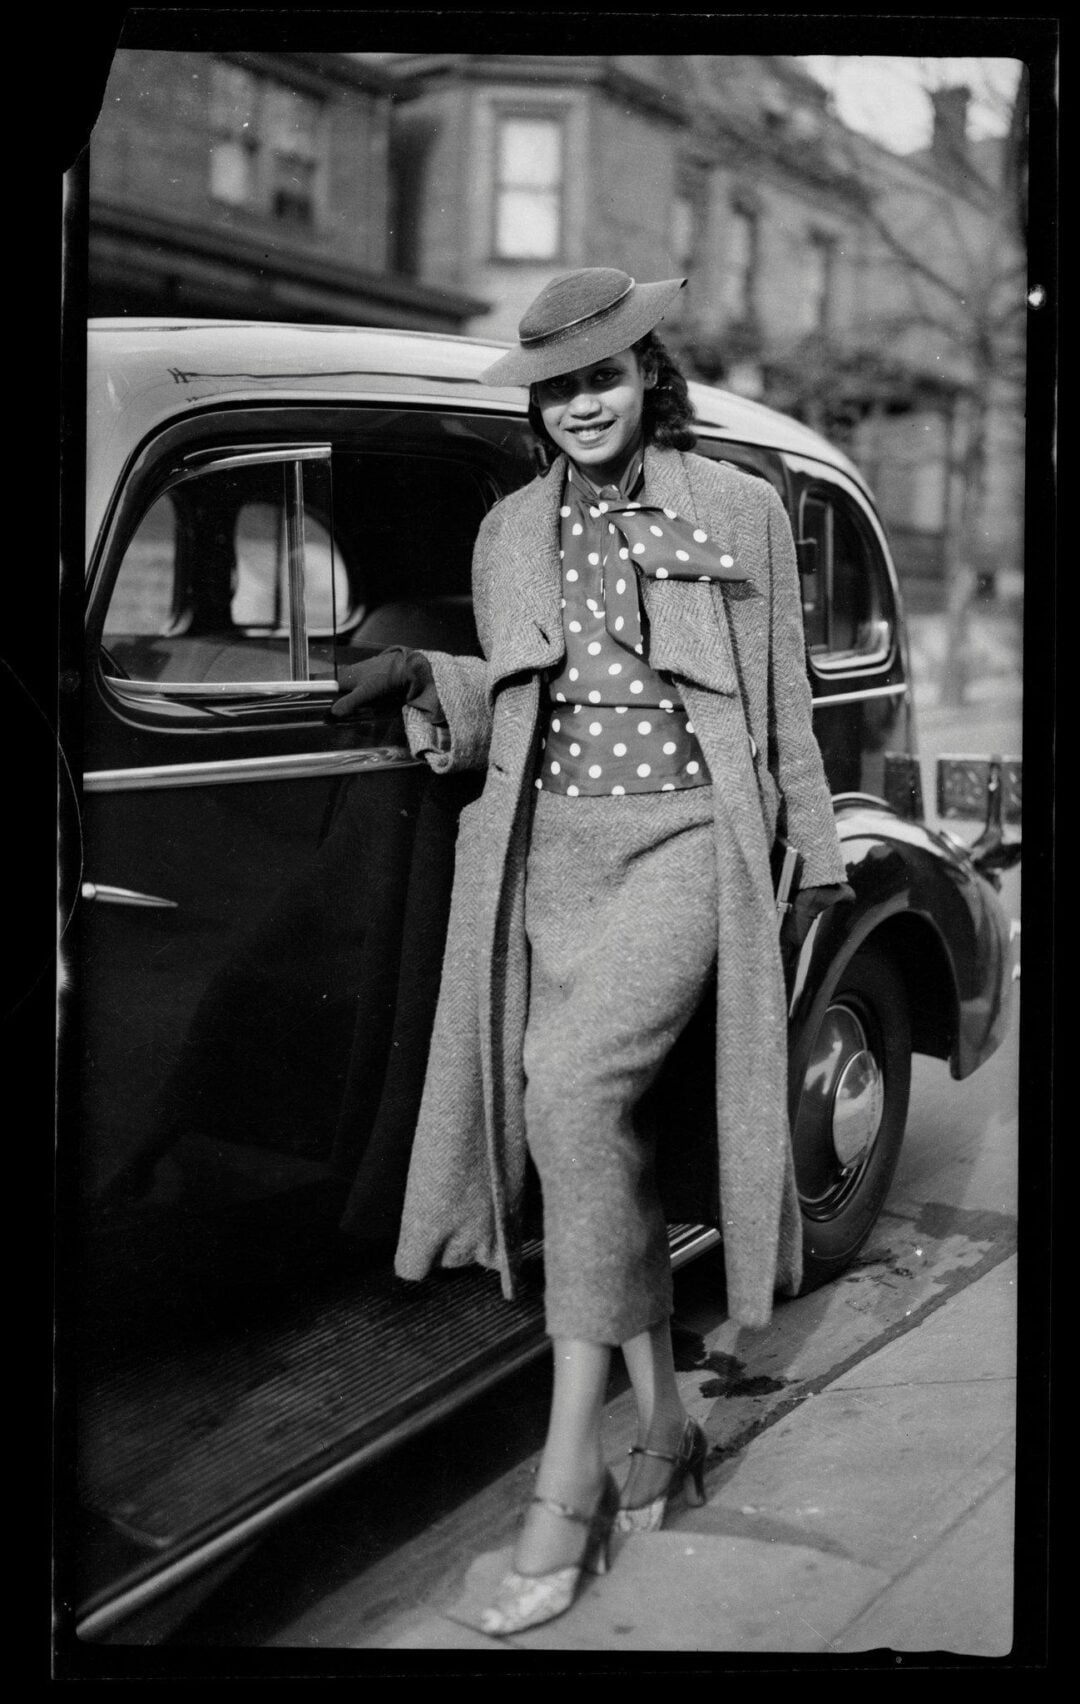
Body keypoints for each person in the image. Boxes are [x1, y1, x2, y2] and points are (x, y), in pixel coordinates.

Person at [332, 268, 851, 1635]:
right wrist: (427, 685)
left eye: (604, 379)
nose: (582, 406)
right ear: (538, 406)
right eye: (558, 389)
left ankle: (566, 1482)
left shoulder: (736, 507)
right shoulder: (507, 533)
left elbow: (784, 698)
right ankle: (665, 1423)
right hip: (549, 854)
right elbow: (522, 703)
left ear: (648, 377)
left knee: (566, 1092)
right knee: (583, 1139)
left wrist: (817, 855)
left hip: (688, 844)